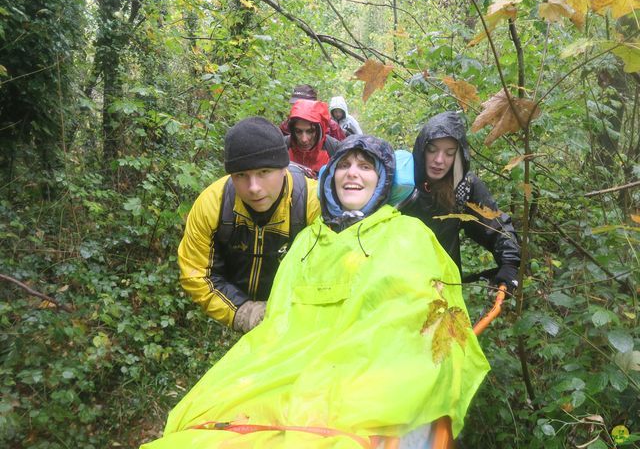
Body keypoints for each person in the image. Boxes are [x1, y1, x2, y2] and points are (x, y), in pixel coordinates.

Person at [143, 135, 489, 448]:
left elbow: (417, 315)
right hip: (293, 358)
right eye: (345, 166)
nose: (352, 173)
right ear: (330, 177)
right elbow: (281, 313)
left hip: (369, 362)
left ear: (383, 180)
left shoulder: (408, 235)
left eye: (365, 166)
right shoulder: (310, 239)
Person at [177, 116, 320, 333]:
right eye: (241, 175)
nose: (253, 187)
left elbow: (332, 273)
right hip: (234, 307)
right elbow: (196, 273)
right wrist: (243, 312)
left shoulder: (313, 204)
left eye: (264, 172)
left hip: (298, 320)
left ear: (284, 168)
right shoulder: (212, 204)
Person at [401, 111, 521, 292]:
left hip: (443, 285)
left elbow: (495, 226)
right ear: (422, 150)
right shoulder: (402, 182)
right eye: (432, 150)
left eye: (449, 153)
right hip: (397, 282)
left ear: (458, 156)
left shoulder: (464, 187)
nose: (439, 160)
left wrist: (509, 264)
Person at [286, 98, 339, 178]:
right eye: (298, 131)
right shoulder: (283, 146)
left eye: (310, 131)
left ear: (320, 130)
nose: (304, 139)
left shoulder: (334, 148)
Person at [280, 84, 346, 141]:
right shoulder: (285, 126)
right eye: (295, 104)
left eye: (302, 104)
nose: (298, 108)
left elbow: (342, 150)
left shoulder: (331, 127)